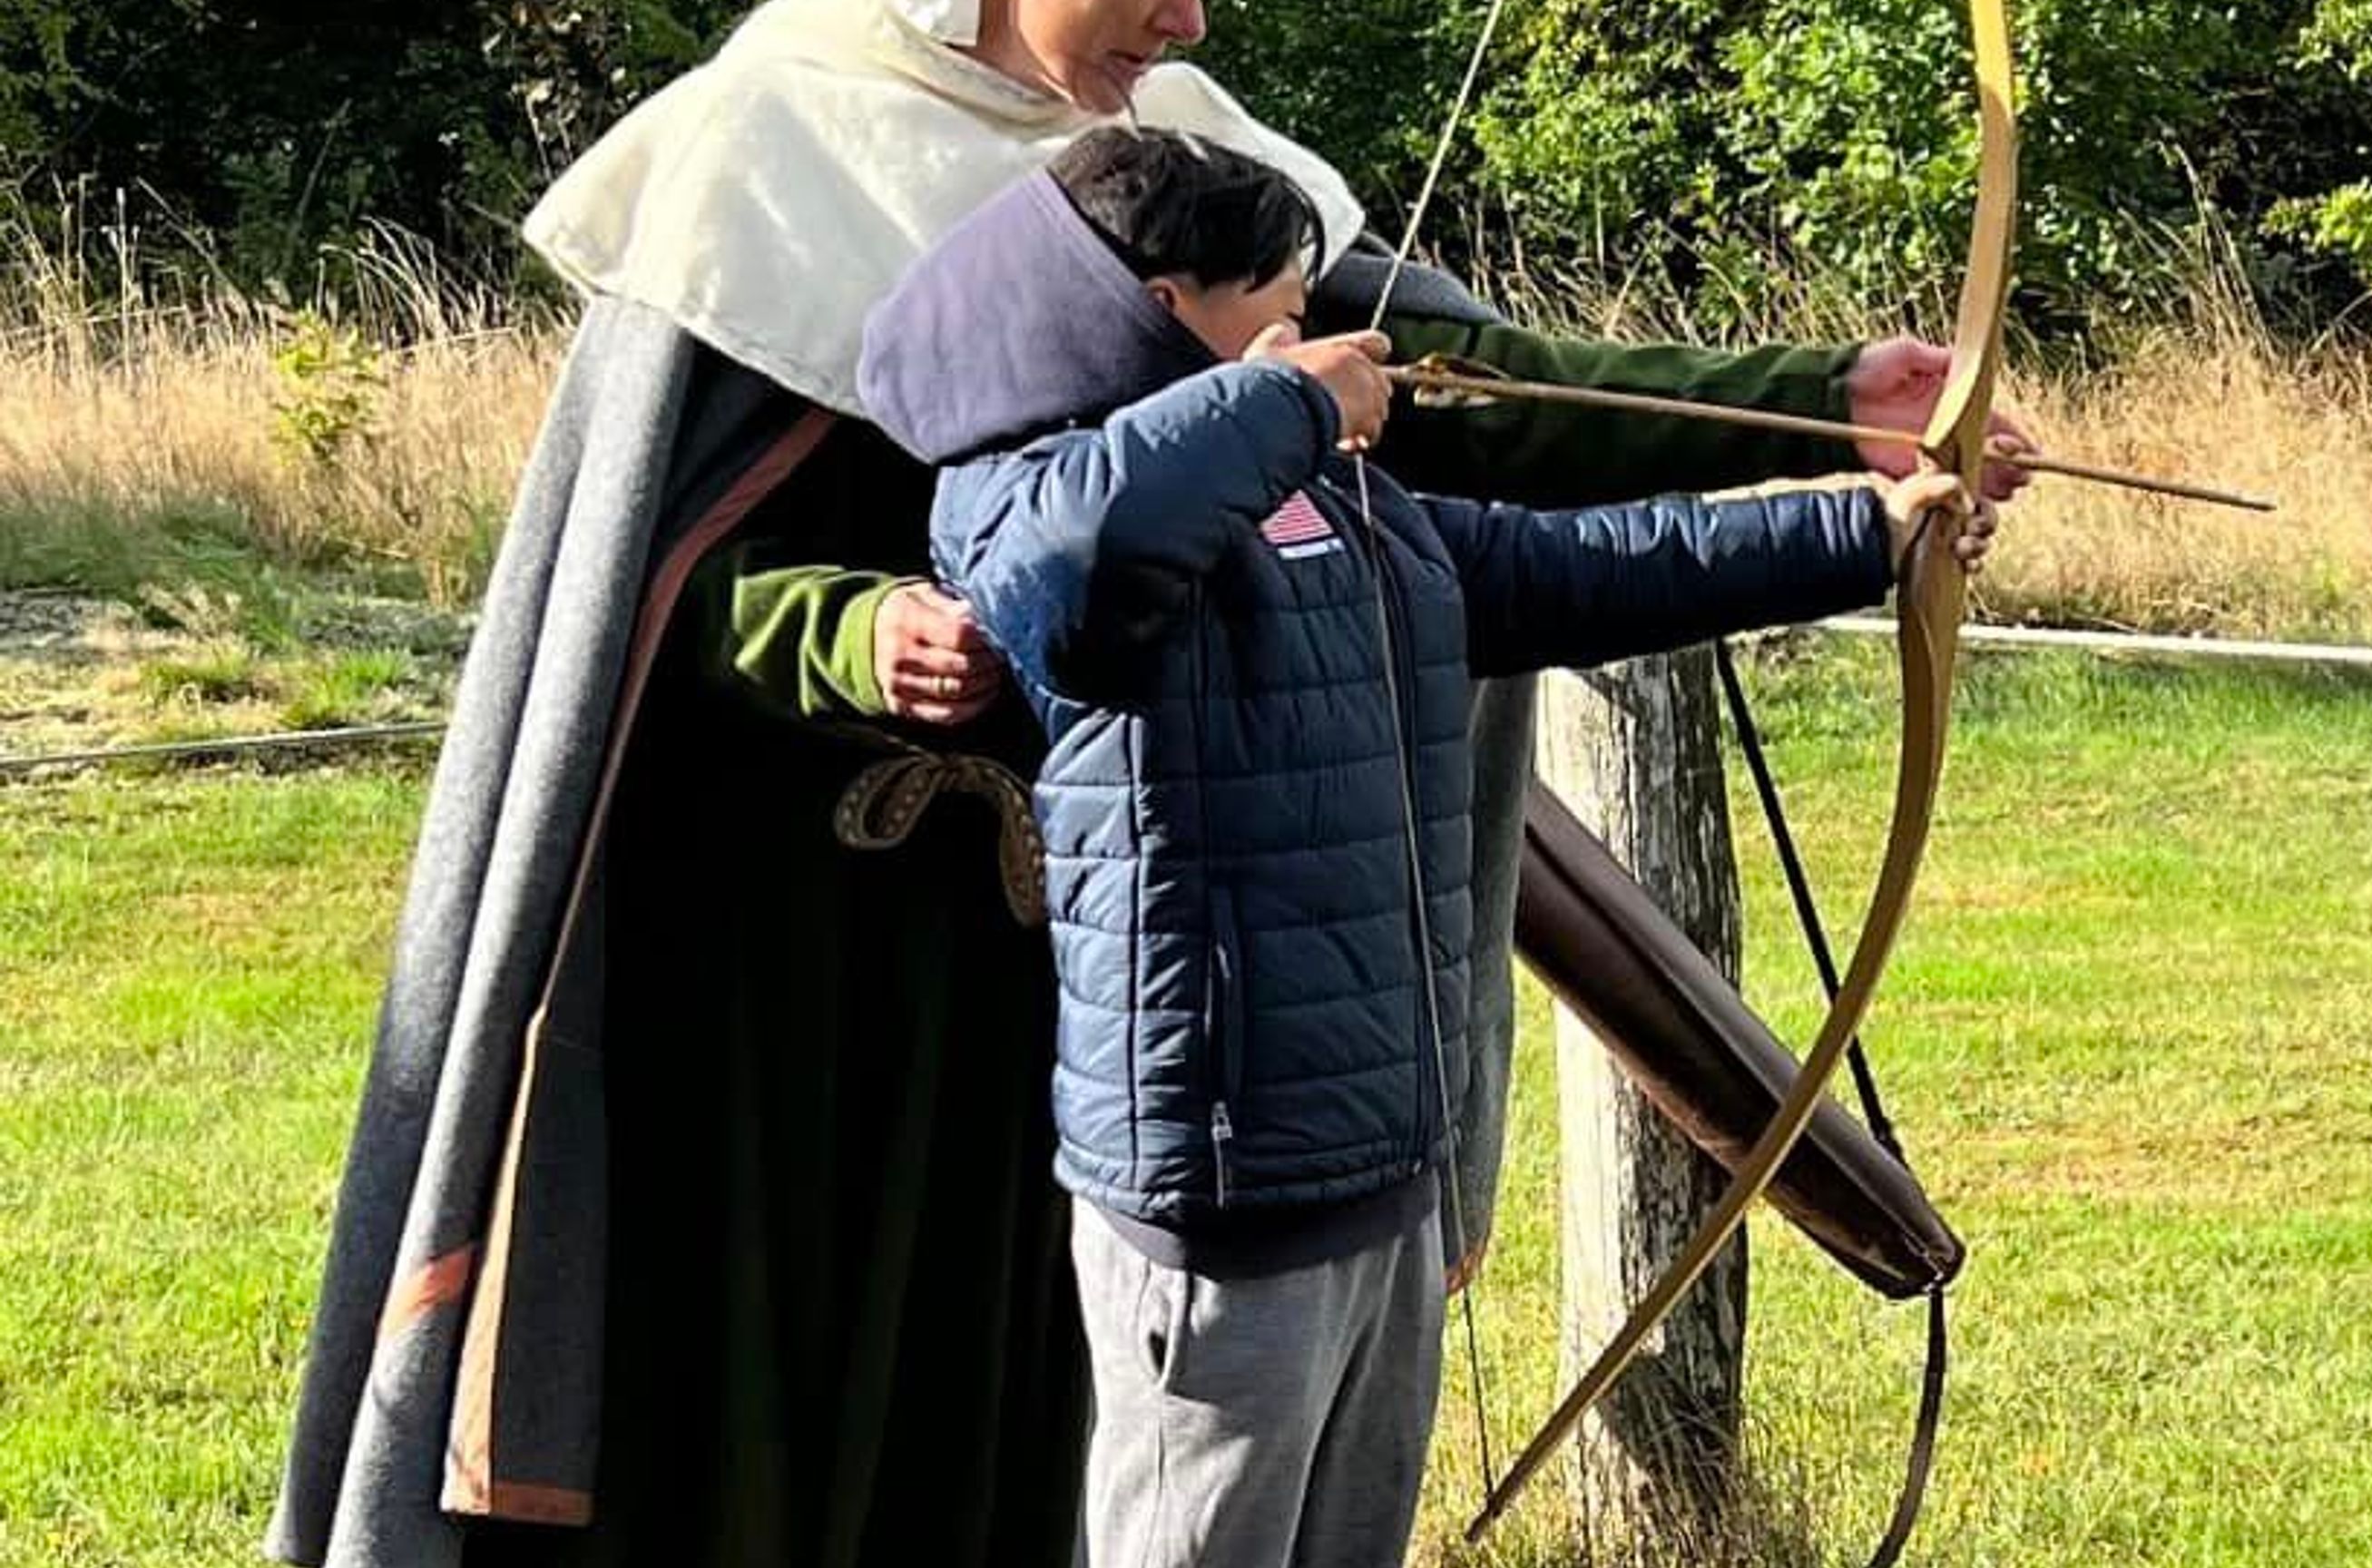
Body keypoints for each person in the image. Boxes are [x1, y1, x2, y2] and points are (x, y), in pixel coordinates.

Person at [265, 4, 2032, 1566]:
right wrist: (848, 635)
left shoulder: (1202, 184)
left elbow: (1478, 412)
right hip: (807, 977)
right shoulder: (776, 153)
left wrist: (1825, 418)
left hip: (1172, 984)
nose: (1187, 17)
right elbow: (656, 586)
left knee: (1081, 1433)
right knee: (799, 1404)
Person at [856, 128, 1995, 1568]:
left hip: (1382, 1164)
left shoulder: (1329, 494)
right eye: (1266, 310)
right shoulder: (1018, 493)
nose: (1305, 337)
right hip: (1219, 1183)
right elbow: (1083, 574)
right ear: (1153, 307)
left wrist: (1862, 532)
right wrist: (1283, 402)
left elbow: (1560, 572)